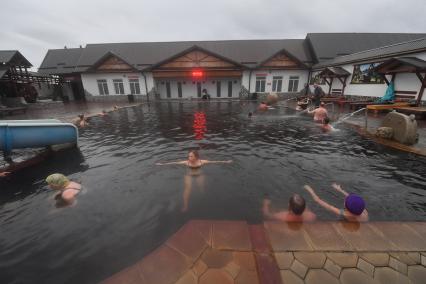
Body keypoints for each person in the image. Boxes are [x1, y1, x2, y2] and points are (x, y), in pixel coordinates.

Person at [156, 150, 232, 211]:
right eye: (189, 156)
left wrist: (226, 162)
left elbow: (214, 162)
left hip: (199, 174)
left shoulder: (202, 162)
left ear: (196, 157)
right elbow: (174, 163)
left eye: (191, 156)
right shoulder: (186, 162)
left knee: (201, 187)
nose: (189, 157)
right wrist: (162, 164)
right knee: (187, 189)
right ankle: (185, 205)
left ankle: (204, 200)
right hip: (189, 175)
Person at [304, 183, 368, 222]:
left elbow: (327, 205)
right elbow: (352, 199)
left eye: (345, 201)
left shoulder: (344, 213)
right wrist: (340, 190)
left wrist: (311, 191)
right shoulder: (364, 212)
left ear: (346, 208)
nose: (345, 199)